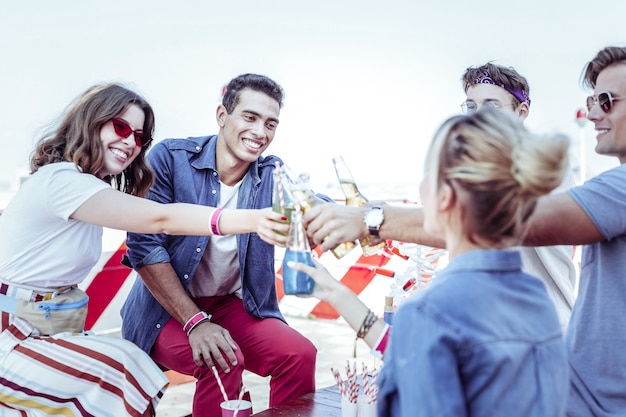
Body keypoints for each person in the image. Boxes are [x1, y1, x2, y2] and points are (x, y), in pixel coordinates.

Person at [307, 46, 626, 416]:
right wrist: (336, 291)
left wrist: (369, 219)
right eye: (470, 108)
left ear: (445, 198)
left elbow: (491, 223)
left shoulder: (548, 185)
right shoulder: (524, 303)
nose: (591, 112)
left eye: (607, 100)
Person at [0, 83, 290, 416]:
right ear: (90, 122)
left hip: (49, 328)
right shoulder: (63, 182)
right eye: (120, 127)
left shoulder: (87, 186)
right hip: (13, 335)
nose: (130, 143)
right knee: (124, 368)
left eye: (139, 137)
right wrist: (255, 219)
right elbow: (160, 219)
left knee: (122, 371)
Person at [290, 108, 570, 416]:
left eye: (429, 176)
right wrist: (336, 293)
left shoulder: (428, 312)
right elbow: (422, 355)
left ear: (446, 197)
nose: (421, 189)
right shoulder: (536, 300)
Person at [120, 74, 323, 417]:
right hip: (166, 310)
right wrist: (195, 322)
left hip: (231, 306)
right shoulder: (170, 158)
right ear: (221, 115)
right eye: (250, 117)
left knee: (299, 354)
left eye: (270, 123)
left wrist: (326, 217)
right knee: (224, 360)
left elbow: (309, 200)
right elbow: (143, 247)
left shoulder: (271, 174)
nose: (261, 132)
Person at [460, 62, 578, 331]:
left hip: (542, 327)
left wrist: (380, 220)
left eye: (491, 106)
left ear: (521, 112)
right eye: (470, 106)